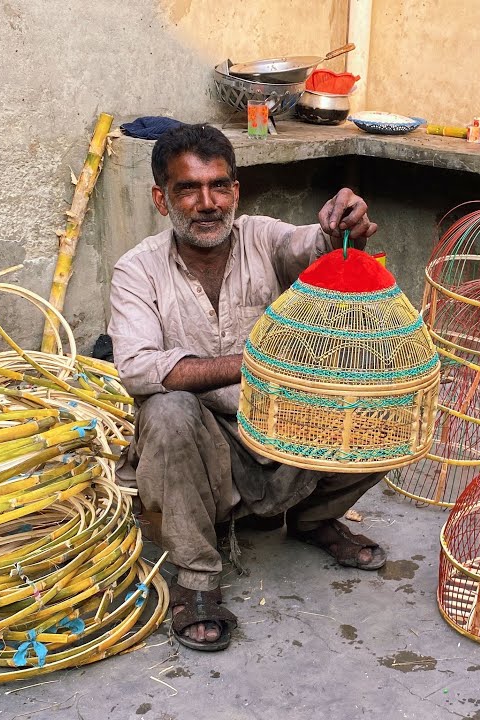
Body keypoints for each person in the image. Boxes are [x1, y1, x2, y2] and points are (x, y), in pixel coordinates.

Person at [108, 123, 389, 652]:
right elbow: (139, 369)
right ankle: (196, 580)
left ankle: (312, 519)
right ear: (160, 198)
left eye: (219, 186)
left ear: (236, 191)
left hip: (280, 425)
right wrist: (260, 360)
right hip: (204, 446)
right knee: (167, 411)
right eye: (188, 189)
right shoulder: (137, 269)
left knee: (384, 409)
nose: (207, 202)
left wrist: (340, 226)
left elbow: (309, 245)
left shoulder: (263, 236)